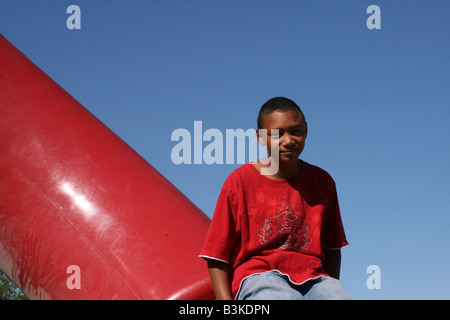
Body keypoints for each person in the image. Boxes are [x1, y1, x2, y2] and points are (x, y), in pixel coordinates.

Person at [199, 97, 351, 300]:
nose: (288, 140)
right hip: (258, 276)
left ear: (306, 130)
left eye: (295, 131)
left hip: (313, 276)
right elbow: (217, 255)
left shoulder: (322, 182)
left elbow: (332, 248)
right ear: (260, 137)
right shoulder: (239, 181)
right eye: (276, 134)